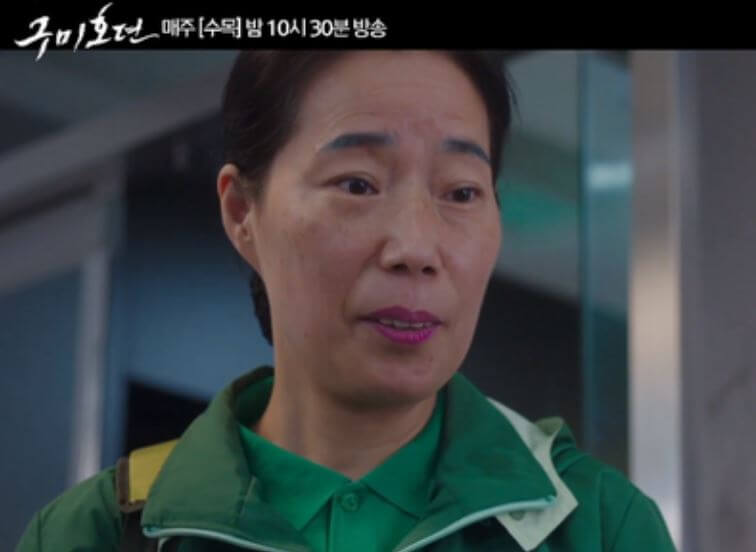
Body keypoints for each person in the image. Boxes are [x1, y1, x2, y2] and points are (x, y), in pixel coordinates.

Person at [16, 50, 677, 552]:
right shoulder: (93, 533)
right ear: (243, 212)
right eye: (358, 184)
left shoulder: (597, 526)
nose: (415, 248)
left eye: (461, 192)